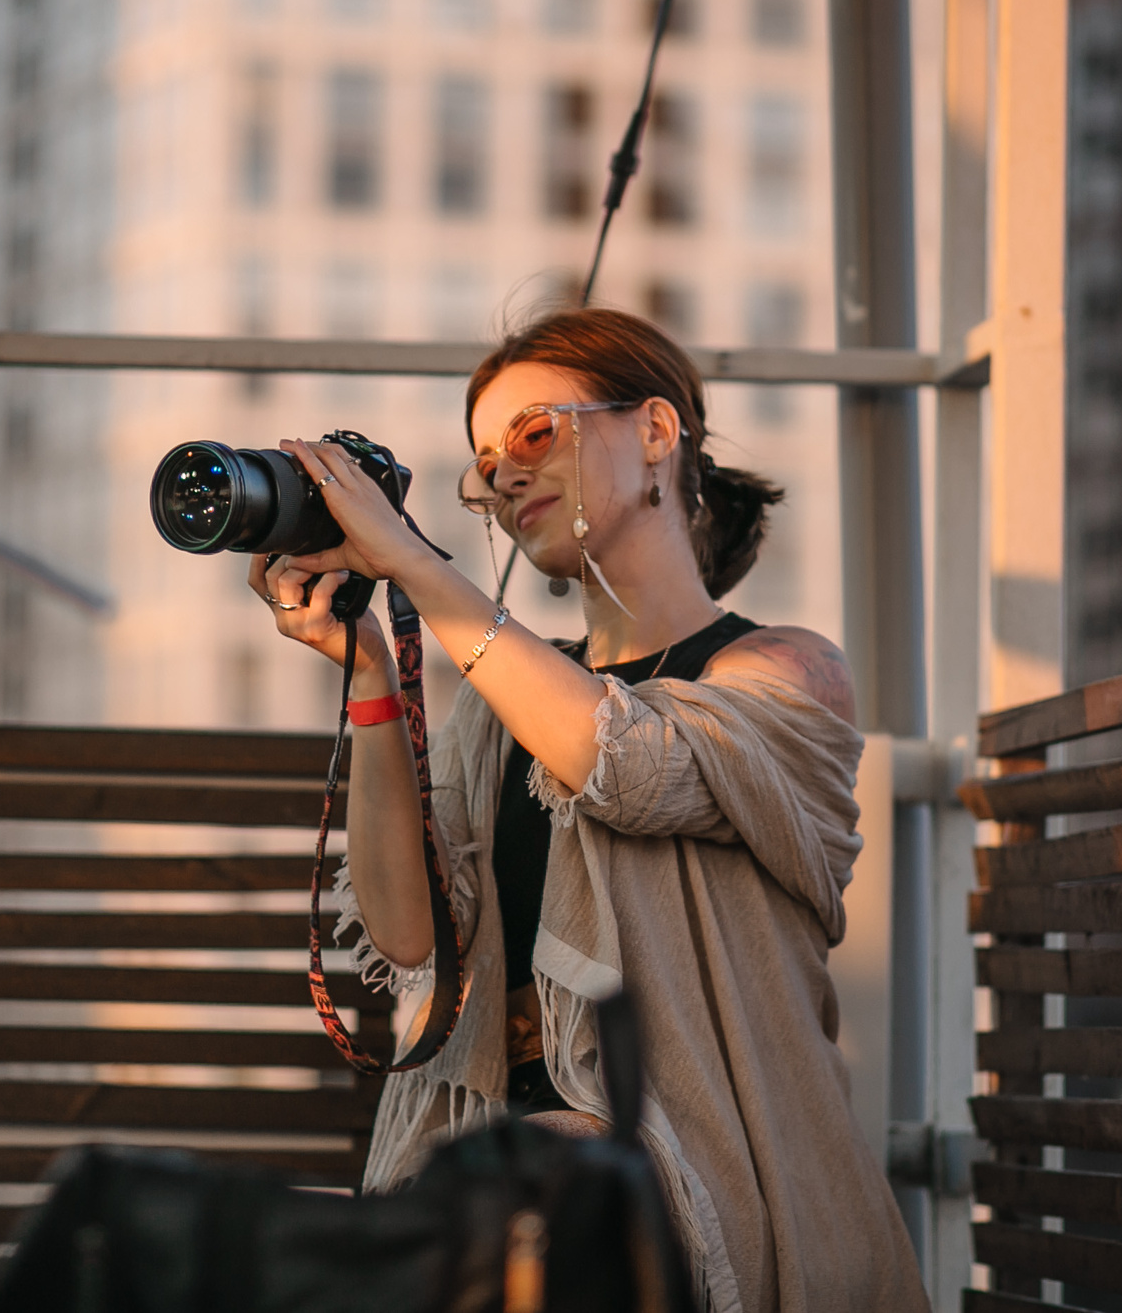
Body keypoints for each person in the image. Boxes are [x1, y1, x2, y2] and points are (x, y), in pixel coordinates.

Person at [249, 306, 925, 1313]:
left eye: (533, 433)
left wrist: (417, 569)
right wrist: (373, 674)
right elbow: (412, 932)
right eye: (485, 461)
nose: (505, 475)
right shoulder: (499, 705)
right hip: (502, 1172)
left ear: (655, 432)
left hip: (708, 1172)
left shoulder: (785, 672)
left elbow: (624, 763)